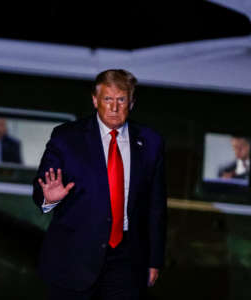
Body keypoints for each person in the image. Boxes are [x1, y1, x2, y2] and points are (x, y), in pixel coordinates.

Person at [32, 69, 167, 299]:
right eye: (107, 99)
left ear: (131, 102)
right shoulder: (67, 138)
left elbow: (156, 207)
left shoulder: (150, 142)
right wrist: (49, 198)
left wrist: (154, 260)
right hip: (74, 256)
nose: (114, 107)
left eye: (121, 99)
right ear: (95, 100)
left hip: (127, 259)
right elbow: (40, 190)